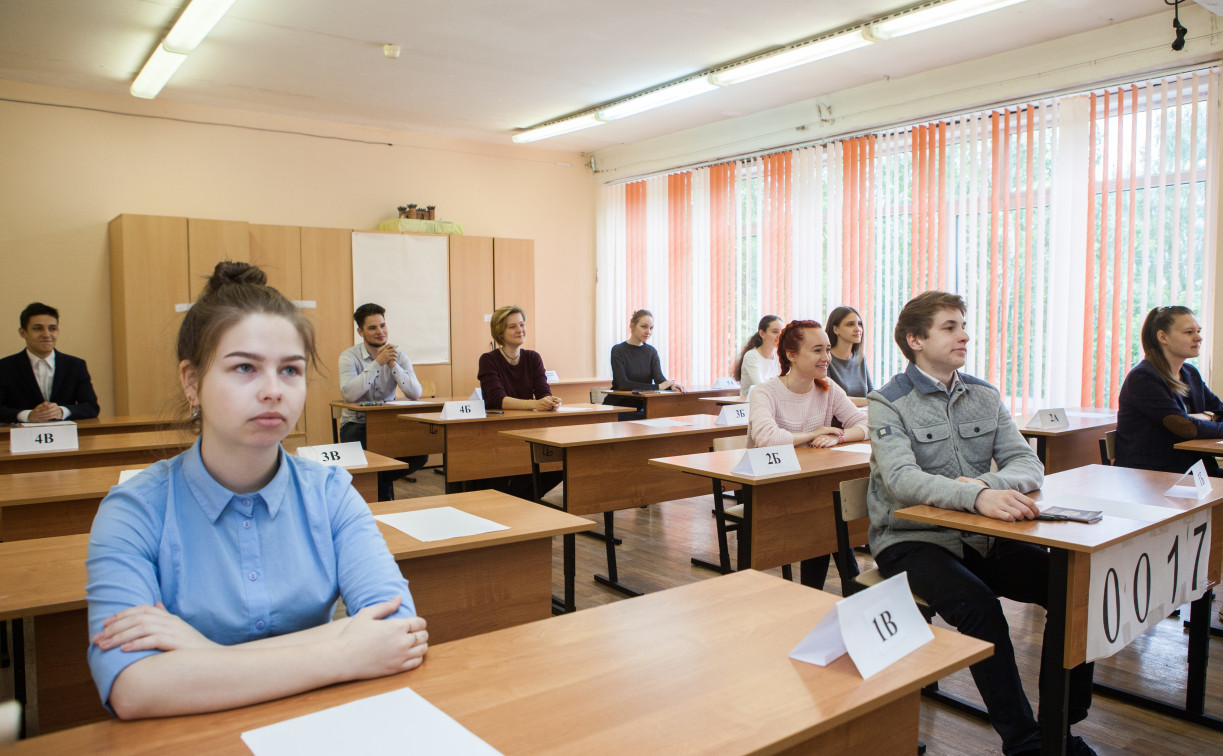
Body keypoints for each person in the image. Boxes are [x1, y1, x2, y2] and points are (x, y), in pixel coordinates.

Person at [86, 262, 426, 720]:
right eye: (244, 367)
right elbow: (133, 686)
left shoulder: (331, 492)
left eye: (290, 370)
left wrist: (199, 654)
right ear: (191, 382)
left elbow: (399, 629)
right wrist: (345, 650)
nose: (273, 390)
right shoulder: (133, 511)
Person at [866, 291, 1095, 756]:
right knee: (980, 606)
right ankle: (1025, 741)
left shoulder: (985, 395)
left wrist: (987, 485)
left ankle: (1058, 726)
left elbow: (1028, 464)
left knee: (1073, 589)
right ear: (914, 339)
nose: (964, 335)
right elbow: (902, 479)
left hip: (979, 536)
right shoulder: (887, 402)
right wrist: (979, 495)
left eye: (962, 325)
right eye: (949, 327)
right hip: (910, 539)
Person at [748, 318, 867, 587]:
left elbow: (865, 423)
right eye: (817, 350)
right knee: (830, 521)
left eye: (827, 349)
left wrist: (839, 437)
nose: (826, 357)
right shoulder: (764, 393)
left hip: (813, 486)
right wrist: (815, 433)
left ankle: (834, 592)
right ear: (791, 354)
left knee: (827, 520)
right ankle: (854, 591)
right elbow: (767, 438)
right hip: (773, 490)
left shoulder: (827, 389)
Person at [1115, 305, 1223, 476]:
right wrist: (1207, 419)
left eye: (1198, 331)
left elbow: (1220, 410)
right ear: (1163, 337)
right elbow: (1186, 428)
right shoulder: (1143, 378)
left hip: (1190, 468)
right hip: (1151, 475)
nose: (1198, 338)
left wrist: (1207, 416)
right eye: (1189, 332)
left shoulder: (1190, 373)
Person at [338, 303, 428, 499]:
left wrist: (393, 364)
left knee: (421, 453)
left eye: (383, 325)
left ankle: (380, 479)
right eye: (372, 327)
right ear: (360, 332)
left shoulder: (399, 355)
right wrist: (378, 363)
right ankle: (380, 491)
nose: (380, 332)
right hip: (356, 424)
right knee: (365, 453)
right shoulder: (349, 357)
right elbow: (349, 394)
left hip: (388, 424)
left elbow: (415, 393)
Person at [0, 302, 99, 422]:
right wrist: (28, 415)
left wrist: (61, 411)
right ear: (23, 332)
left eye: (52, 328)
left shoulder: (76, 366)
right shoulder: (4, 367)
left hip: (66, 437)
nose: (47, 334)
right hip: (19, 437)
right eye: (38, 328)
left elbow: (91, 407)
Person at [477, 305, 560, 411]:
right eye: (512, 326)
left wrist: (551, 402)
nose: (520, 330)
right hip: (498, 423)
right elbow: (497, 399)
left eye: (522, 324)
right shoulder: (488, 360)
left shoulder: (533, 358)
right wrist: (534, 403)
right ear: (500, 332)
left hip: (529, 420)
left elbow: (543, 392)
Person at [604, 309, 684, 415]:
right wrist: (658, 387)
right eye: (644, 326)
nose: (648, 332)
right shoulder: (618, 350)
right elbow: (623, 384)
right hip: (618, 408)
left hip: (643, 408)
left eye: (651, 328)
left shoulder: (651, 352)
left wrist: (672, 386)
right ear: (632, 326)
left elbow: (659, 379)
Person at [826, 305, 873, 399]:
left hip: (862, 413)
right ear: (836, 329)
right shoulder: (825, 359)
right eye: (850, 324)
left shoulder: (860, 358)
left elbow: (871, 393)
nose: (857, 329)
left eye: (859, 324)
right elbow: (832, 399)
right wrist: (869, 402)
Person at [733, 315, 782, 398]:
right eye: (775, 332)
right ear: (762, 333)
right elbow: (761, 387)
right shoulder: (751, 356)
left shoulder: (779, 355)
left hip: (773, 402)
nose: (779, 336)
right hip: (751, 404)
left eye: (782, 332)